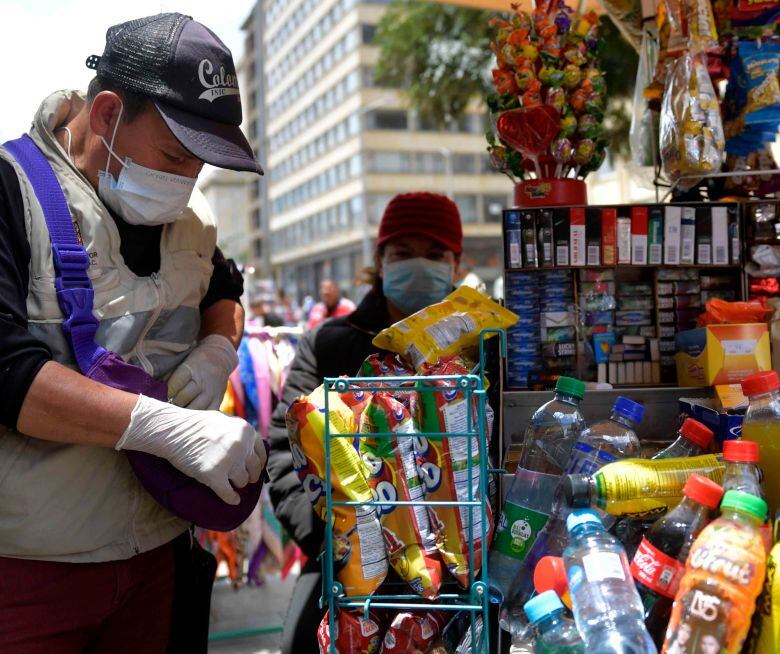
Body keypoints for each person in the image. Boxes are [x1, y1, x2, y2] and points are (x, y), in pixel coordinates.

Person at [0, 13, 266, 653]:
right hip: (29, 574)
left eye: (198, 165)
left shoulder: (190, 221)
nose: (185, 182)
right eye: (174, 155)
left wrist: (216, 351)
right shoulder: (11, 193)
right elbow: (5, 370)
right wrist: (161, 428)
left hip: (159, 558)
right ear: (108, 113)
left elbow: (225, 291)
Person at [267, 192, 463, 654]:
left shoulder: (484, 343)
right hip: (347, 575)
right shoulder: (331, 345)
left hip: (463, 573)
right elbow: (282, 451)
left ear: (457, 262)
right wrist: (339, 543)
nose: (418, 264)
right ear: (380, 260)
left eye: (434, 254)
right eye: (402, 253)